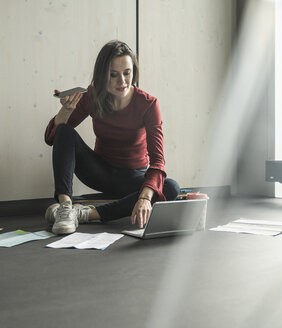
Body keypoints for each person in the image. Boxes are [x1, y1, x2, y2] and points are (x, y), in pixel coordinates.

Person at [44, 40, 180, 235]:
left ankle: (86, 214)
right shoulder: (92, 95)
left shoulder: (148, 104)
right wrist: (65, 111)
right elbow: (53, 138)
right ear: (102, 75)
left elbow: (158, 162)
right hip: (99, 171)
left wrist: (144, 198)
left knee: (171, 188)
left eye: (127, 72)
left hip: (133, 177)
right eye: (113, 75)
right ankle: (65, 208)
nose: (122, 81)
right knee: (65, 131)